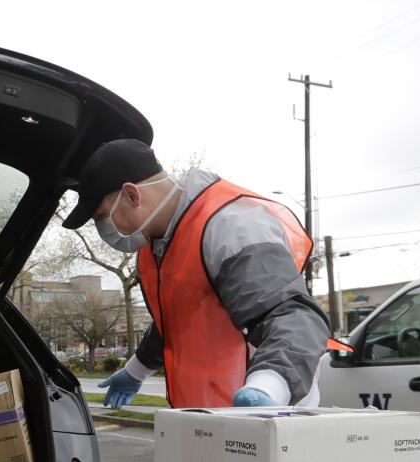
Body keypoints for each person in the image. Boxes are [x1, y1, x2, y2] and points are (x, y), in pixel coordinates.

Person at [62, 139, 330, 409]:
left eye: (102, 217)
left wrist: (270, 385)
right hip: (205, 421)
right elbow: (180, 319)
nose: (104, 230)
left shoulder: (230, 227)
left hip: (263, 419)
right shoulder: (155, 246)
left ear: (132, 195)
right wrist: (136, 370)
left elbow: (295, 317)